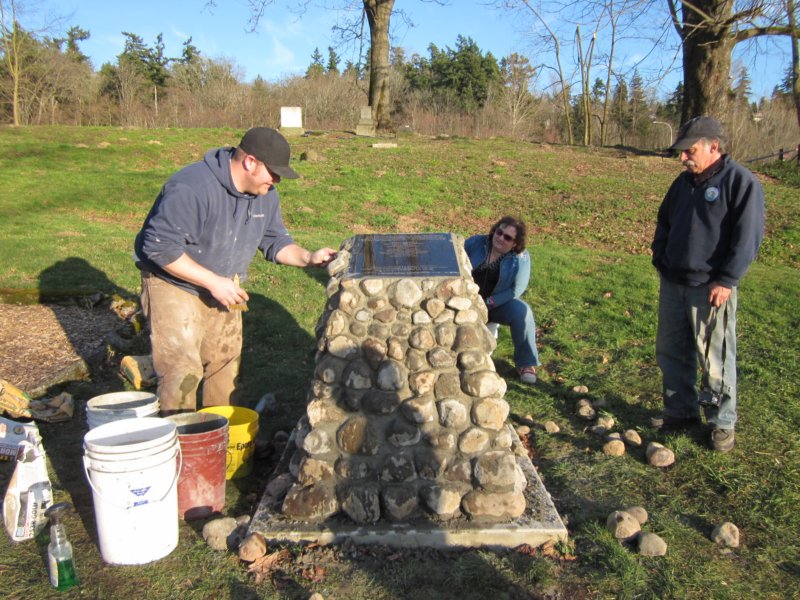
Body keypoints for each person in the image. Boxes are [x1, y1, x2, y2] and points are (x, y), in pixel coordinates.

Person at [134, 127, 337, 416]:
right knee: (182, 370)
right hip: (173, 283)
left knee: (224, 365)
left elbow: (275, 241)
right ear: (250, 162)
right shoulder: (192, 187)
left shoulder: (265, 196)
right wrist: (212, 281)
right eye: (273, 171)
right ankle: (182, 445)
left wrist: (308, 257)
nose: (277, 179)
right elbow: (159, 247)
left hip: (223, 284)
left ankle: (220, 442)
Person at [651, 116, 765, 452]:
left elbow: (748, 238)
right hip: (674, 283)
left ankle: (722, 422)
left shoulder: (740, 182)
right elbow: (664, 222)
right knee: (672, 353)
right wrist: (661, 258)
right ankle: (681, 413)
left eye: (689, 150)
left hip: (711, 288)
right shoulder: (682, 184)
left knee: (715, 356)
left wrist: (726, 279)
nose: (683, 157)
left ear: (713, 146)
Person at [465, 216, 541, 384]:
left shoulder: (520, 258)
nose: (500, 238)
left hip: (495, 303)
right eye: (499, 232)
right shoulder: (476, 243)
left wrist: (490, 302)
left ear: (515, 243)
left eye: (508, 237)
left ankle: (526, 364)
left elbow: (517, 289)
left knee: (523, 312)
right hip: (466, 301)